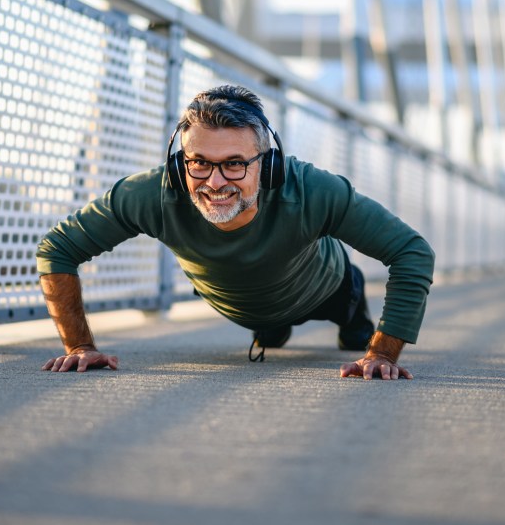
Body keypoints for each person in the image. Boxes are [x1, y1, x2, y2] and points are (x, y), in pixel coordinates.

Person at [37, 85, 435, 380]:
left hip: (323, 290)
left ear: (268, 165)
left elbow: (411, 251)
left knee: (352, 322)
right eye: (199, 163)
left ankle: (351, 317)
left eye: (234, 163)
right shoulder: (151, 194)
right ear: (178, 164)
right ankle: (271, 327)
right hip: (246, 306)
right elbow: (58, 248)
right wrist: (79, 346)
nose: (214, 182)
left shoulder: (314, 190)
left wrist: (382, 353)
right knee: (270, 332)